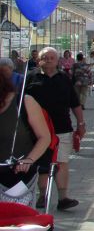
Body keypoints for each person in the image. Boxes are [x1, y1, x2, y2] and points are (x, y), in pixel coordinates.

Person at [25, 47, 86, 210]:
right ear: (39, 60)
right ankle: (42, 195)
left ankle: (63, 198)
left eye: (52, 57)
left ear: (58, 61)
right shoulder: (31, 77)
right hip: (36, 130)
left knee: (61, 162)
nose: (49, 60)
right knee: (41, 164)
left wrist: (81, 123)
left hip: (62, 127)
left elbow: (75, 103)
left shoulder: (64, 78)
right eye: (45, 57)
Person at [0, 69, 52, 206]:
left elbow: (44, 137)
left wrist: (29, 160)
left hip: (18, 174)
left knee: (15, 216)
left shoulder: (25, 102)